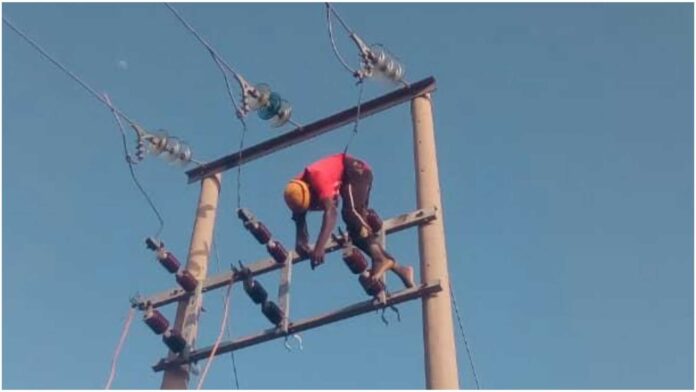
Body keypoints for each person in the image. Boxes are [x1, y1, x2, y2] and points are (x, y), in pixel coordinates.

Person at [283, 152, 415, 289]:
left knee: (351, 213)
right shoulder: (294, 193)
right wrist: (301, 244)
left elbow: (332, 212)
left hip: (356, 172)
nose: (315, 207)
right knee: (355, 233)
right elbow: (300, 226)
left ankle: (381, 258)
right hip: (346, 180)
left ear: (310, 190)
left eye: (313, 203)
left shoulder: (318, 178)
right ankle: (402, 270)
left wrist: (319, 247)